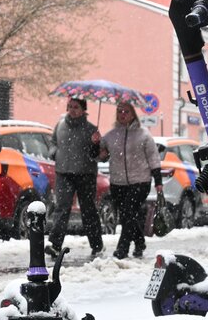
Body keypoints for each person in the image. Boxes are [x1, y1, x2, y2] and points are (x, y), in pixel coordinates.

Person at [98, 101, 163, 259]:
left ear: (133, 114)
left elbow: (154, 159)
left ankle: (122, 249)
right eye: (119, 112)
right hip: (118, 183)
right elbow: (100, 156)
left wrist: (158, 182)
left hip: (140, 182)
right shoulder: (111, 135)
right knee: (128, 216)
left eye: (126, 111)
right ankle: (140, 241)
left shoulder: (144, 135)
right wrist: (95, 143)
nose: (122, 114)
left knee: (128, 213)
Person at [45, 97, 105, 258]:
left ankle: (97, 244)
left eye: (76, 107)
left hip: (85, 174)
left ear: (83, 110)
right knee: (62, 208)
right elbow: (53, 143)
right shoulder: (60, 126)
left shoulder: (91, 129)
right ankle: (55, 244)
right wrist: (54, 153)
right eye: (70, 106)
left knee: (88, 210)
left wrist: (95, 143)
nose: (72, 110)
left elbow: (99, 156)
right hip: (63, 173)